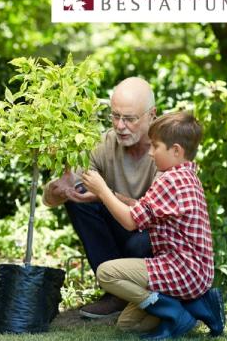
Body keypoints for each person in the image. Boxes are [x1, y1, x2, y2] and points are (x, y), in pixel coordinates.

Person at [82, 111, 225, 338]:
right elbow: (144, 208)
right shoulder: (187, 176)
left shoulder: (169, 180)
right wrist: (110, 195)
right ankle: (197, 305)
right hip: (195, 273)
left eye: (155, 146)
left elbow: (130, 222)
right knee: (127, 324)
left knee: (106, 272)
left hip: (182, 270)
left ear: (176, 150)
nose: (150, 152)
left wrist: (101, 190)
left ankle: (172, 310)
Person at [42, 77, 156, 319]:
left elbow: (157, 215)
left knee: (141, 240)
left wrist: (107, 195)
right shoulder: (104, 144)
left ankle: (144, 295)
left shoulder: (166, 149)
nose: (120, 126)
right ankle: (116, 294)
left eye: (130, 118)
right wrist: (57, 190)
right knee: (79, 197)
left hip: (155, 238)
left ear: (151, 115)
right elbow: (55, 195)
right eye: (115, 116)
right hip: (122, 230)